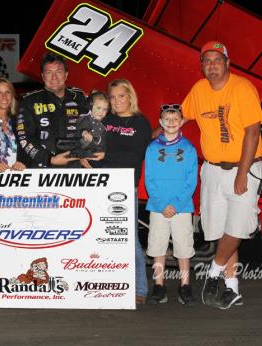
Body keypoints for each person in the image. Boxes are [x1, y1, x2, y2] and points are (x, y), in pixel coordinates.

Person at [182, 41, 262, 309]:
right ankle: (232, 289)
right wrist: (154, 134)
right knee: (222, 229)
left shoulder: (242, 88)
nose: (212, 65)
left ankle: (214, 272)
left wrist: (242, 174)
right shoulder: (199, 90)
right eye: (206, 61)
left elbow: (253, 132)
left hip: (244, 167)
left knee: (238, 227)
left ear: (228, 63)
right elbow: (180, 117)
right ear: (202, 67)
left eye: (217, 60)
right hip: (213, 169)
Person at [102, 79, 152, 304]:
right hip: (100, 184)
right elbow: (92, 150)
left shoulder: (141, 123)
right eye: (112, 97)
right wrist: (91, 162)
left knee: (129, 237)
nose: (116, 101)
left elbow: (133, 159)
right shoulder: (105, 119)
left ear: (130, 96)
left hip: (125, 187)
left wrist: (101, 160)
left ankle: (140, 288)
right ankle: (105, 284)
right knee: (102, 237)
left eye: (121, 96)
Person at [145, 104, 198, 305]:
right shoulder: (152, 148)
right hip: (158, 207)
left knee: (183, 248)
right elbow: (149, 179)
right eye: (167, 119)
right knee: (158, 248)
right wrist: (161, 204)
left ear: (181, 121)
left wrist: (175, 204)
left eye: (175, 119)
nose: (171, 123)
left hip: (182, 208)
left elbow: (191, 181)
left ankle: (185, 285)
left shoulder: (189, 148)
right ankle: (159, 286)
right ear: (160, 123)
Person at [16, 52, 89, 168]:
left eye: (58, 72)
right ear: (42, 76)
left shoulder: (81, 98)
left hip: (77, 170)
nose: (54, 77)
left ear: (66, 75)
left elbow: (94, 128)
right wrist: (50, 159)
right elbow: (24, 138)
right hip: (42, 170)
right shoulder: (29, 101)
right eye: (49, 73)